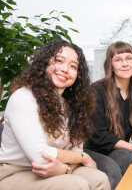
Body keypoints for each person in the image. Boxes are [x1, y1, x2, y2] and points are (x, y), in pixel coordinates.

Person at [0, 40, 111, 190]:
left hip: (57, 166)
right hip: (14, 172)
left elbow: (76, 150)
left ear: (78, 75)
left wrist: (67, 169)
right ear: (45, 63)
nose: (65, 69)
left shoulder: (73, 104)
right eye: (59, 61)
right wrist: (83, 158)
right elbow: (41, 155)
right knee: (76, 185)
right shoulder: (23, 97)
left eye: (73, 66)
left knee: (99, 179)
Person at [84, 41, 132, 186]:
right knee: (110, 168)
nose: (125, 64)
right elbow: (99, 136)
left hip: (117, 150)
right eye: (118, 60)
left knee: (129, 158)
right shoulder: (96, 91)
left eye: (129, 59)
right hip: (92, 149)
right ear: (111, 66)